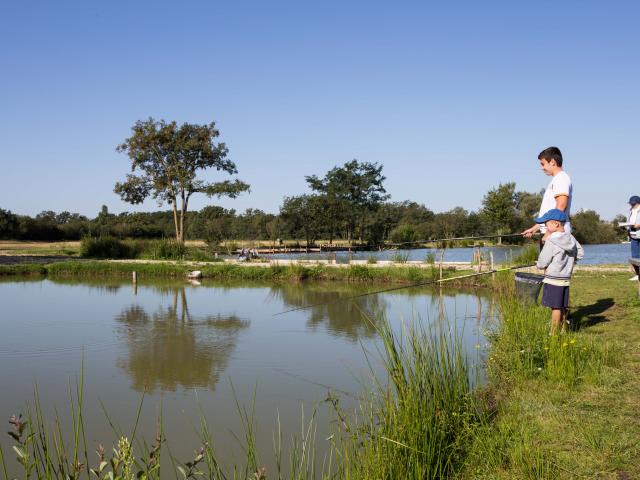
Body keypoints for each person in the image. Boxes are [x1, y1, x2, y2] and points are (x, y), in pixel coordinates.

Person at [535, 209, 584, 334]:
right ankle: (563, 329)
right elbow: (581, 253)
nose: (545, 226)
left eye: (546, 224)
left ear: (556, 224)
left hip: (553, 278)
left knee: (555, 307)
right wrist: (568, 261)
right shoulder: (570, 238)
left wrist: (539, 265)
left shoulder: (551, 240)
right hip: (565, 278)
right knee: (562, 305)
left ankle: (553, 333)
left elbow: (542, 262)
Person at [522, 146, 573, 240]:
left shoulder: (561, 178)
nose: (542, 168)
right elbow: (549, 214)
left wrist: (549, 232)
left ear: (552, 162)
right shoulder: (556, 180)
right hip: (552, 235)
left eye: (543, 164)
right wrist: (534, 229)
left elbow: (561, 205)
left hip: (555, 236)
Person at [624, 195, 640, 281]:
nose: (631, 205)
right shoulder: (630, 211)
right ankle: (638, 274)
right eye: (631, 203)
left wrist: (638, 225)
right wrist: (626, 228)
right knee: (634, 256)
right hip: (633, 235)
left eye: (633, 203)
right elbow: (629, 221)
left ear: (638, 203)